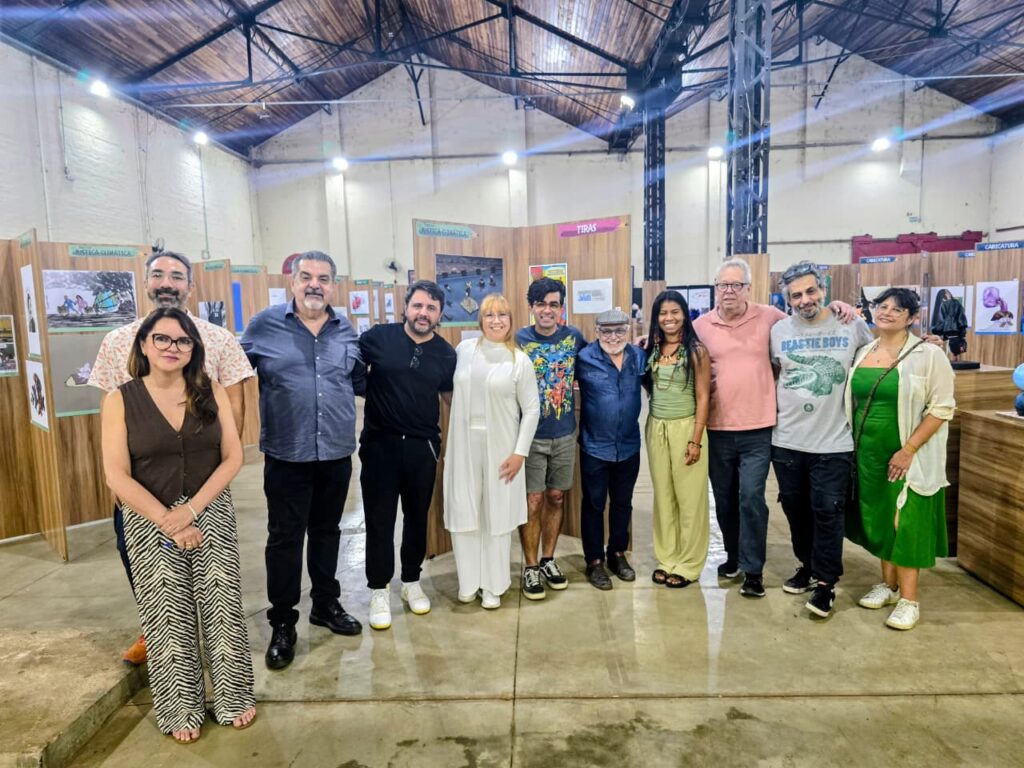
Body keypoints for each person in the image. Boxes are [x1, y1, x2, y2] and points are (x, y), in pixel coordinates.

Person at [90, 250, 253, 665]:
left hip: (203, 482)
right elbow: (108, 411)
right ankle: (155, 631)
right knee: (150, 575)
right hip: (144, 487)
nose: (167, 282)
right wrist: (122, 485)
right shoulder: (117, 341)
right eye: (158, 274)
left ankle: (218, 654)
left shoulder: (219, 339)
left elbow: (234, 410)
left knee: (216, 586)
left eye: (177, 276)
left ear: (190, 286)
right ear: (145, 283)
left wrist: (214, 479)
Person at [100, 308, 255, 743]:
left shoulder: (211, 390)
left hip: (210, 511)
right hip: (148, 518)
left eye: (183, 341)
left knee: (223, 607)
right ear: (144, 345)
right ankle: (179, 707)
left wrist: (192, 511)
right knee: (167, 614)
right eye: (162, 339)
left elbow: (233, 457)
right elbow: (116, 474)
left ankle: (234, 696)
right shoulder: (120, 400)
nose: (173, 347)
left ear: (194, 349)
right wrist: (169, 520)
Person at [694, 258, 853, 598]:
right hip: (717, 429)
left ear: (748, 288)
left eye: (736, 285)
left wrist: (840, 307)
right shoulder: (701, 326)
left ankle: (753, 571)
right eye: (723, 285)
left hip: (759, 428)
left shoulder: (770, 318)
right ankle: (733, 557)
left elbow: (807, 320)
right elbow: (676, 345)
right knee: (724, 500)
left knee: (751, 498)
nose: (729, 291)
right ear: (716, 289)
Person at [241, 251, 364, 671]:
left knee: (328, 532)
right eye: (307, 276)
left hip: (335, 451)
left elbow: (361, 382)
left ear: (333, 285)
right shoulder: (263, 326)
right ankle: (282, 622)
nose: (315, 284)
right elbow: (230, 374)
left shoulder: (346, 331)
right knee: (285, 539)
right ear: (292, 282)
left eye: (323, 278)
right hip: (286, 453)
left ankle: (325, 605)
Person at [845, 288, 954, 630]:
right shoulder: (864, 351)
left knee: (903, 521)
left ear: (912, 317)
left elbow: (942, 408)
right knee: (879, 517)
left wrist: (908, 450)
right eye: (882, 306)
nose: (887, 312)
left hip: (908, 454)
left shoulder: (928, 355)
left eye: (897, 309)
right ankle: (888, 585)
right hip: (867, 453)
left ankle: (909, 599)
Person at [770, 262, 873, 618]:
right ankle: (808, 565)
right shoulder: (779, 331)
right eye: (796, 295)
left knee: (828, 511)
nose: (804, 300)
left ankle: (827, 583)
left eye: (810, 291)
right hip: (787, 440)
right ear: (787, 299)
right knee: (795, 509)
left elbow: (881, 357)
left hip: (834, 441)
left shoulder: (851, 325)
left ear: (823, 290)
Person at [360, 280, 457, 630]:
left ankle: (412, 581)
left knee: (417, 517)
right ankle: (379, 589)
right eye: (418, 305)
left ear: (439, 314)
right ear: (405, 307)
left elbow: (451, 400)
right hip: (379, 445)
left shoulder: (446, 354)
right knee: (379, 520)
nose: (423, 313)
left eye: (431, 308)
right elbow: (350, 371)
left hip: (422, 447)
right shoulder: (378, 338)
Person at [443, 294, 539, 609]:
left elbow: (532, 410)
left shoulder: (519, 361)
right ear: (480, 320)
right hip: (464, 446)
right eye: (489, 315)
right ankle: (469, 582)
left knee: (496, 517)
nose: (496, 321)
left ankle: (493, 585)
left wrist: (519, 453)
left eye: (502, 315)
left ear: (511, 320)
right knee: (465, 511)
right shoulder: (464, 351)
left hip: (502, 448)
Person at [515, 277, 587, 599]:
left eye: (554, 304)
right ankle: (530, 566)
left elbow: (598, 358)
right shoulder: (518, 340)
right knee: (533, 501)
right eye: (541, 304)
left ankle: (548, 560)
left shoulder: (574, 338)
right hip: (530, 437)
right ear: (531, 307)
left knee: (556, 497)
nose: (547, 310)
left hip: (564, 433)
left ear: (561, 308)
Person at [575, 309, 646, 590]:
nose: (613, 336)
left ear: (628, 331)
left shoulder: (639, 357)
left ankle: (617, 553)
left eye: (619, 330)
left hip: (628, 446)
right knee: (594, 505)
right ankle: (594, 561)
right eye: (606, 331)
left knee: (623, 503)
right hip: (595, 446)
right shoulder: (584, 358)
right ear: (597, 332)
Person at [644, 292, 711, 589]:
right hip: (656, 427)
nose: (668, 318)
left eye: (674, 312)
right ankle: (667, 557)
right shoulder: (653, 349)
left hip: (687, 428)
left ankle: (689, 563)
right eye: (663, 313)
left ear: (684, 314)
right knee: (663, 496)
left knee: (690, 499)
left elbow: (704, 397)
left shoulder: (696, 350)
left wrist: (695, 440)